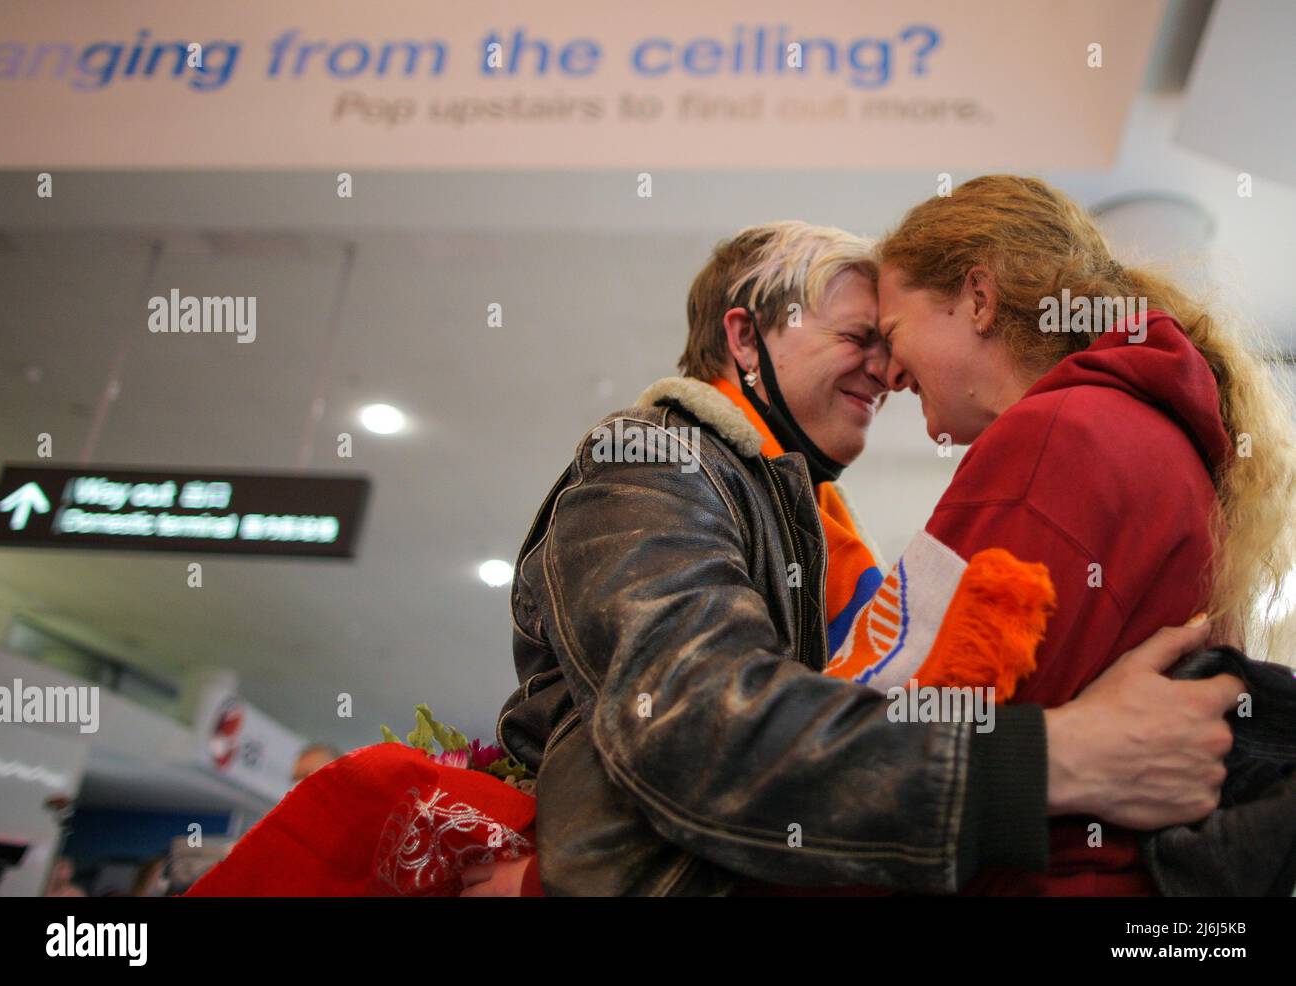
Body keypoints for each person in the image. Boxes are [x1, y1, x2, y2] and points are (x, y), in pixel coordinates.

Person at [471, 220, 1243, 896]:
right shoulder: (657, 462)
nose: (887, 371)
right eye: (854, 338)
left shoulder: (809, 520)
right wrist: (1057, 758)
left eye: (888, 341)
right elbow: (698, 719)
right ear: (743, 338)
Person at [864, 174, 1296, 893]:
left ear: (977, 297)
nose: (885, 370)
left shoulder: (1055, 434)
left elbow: (911, 747)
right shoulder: (1152, 435)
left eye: (889, 332)